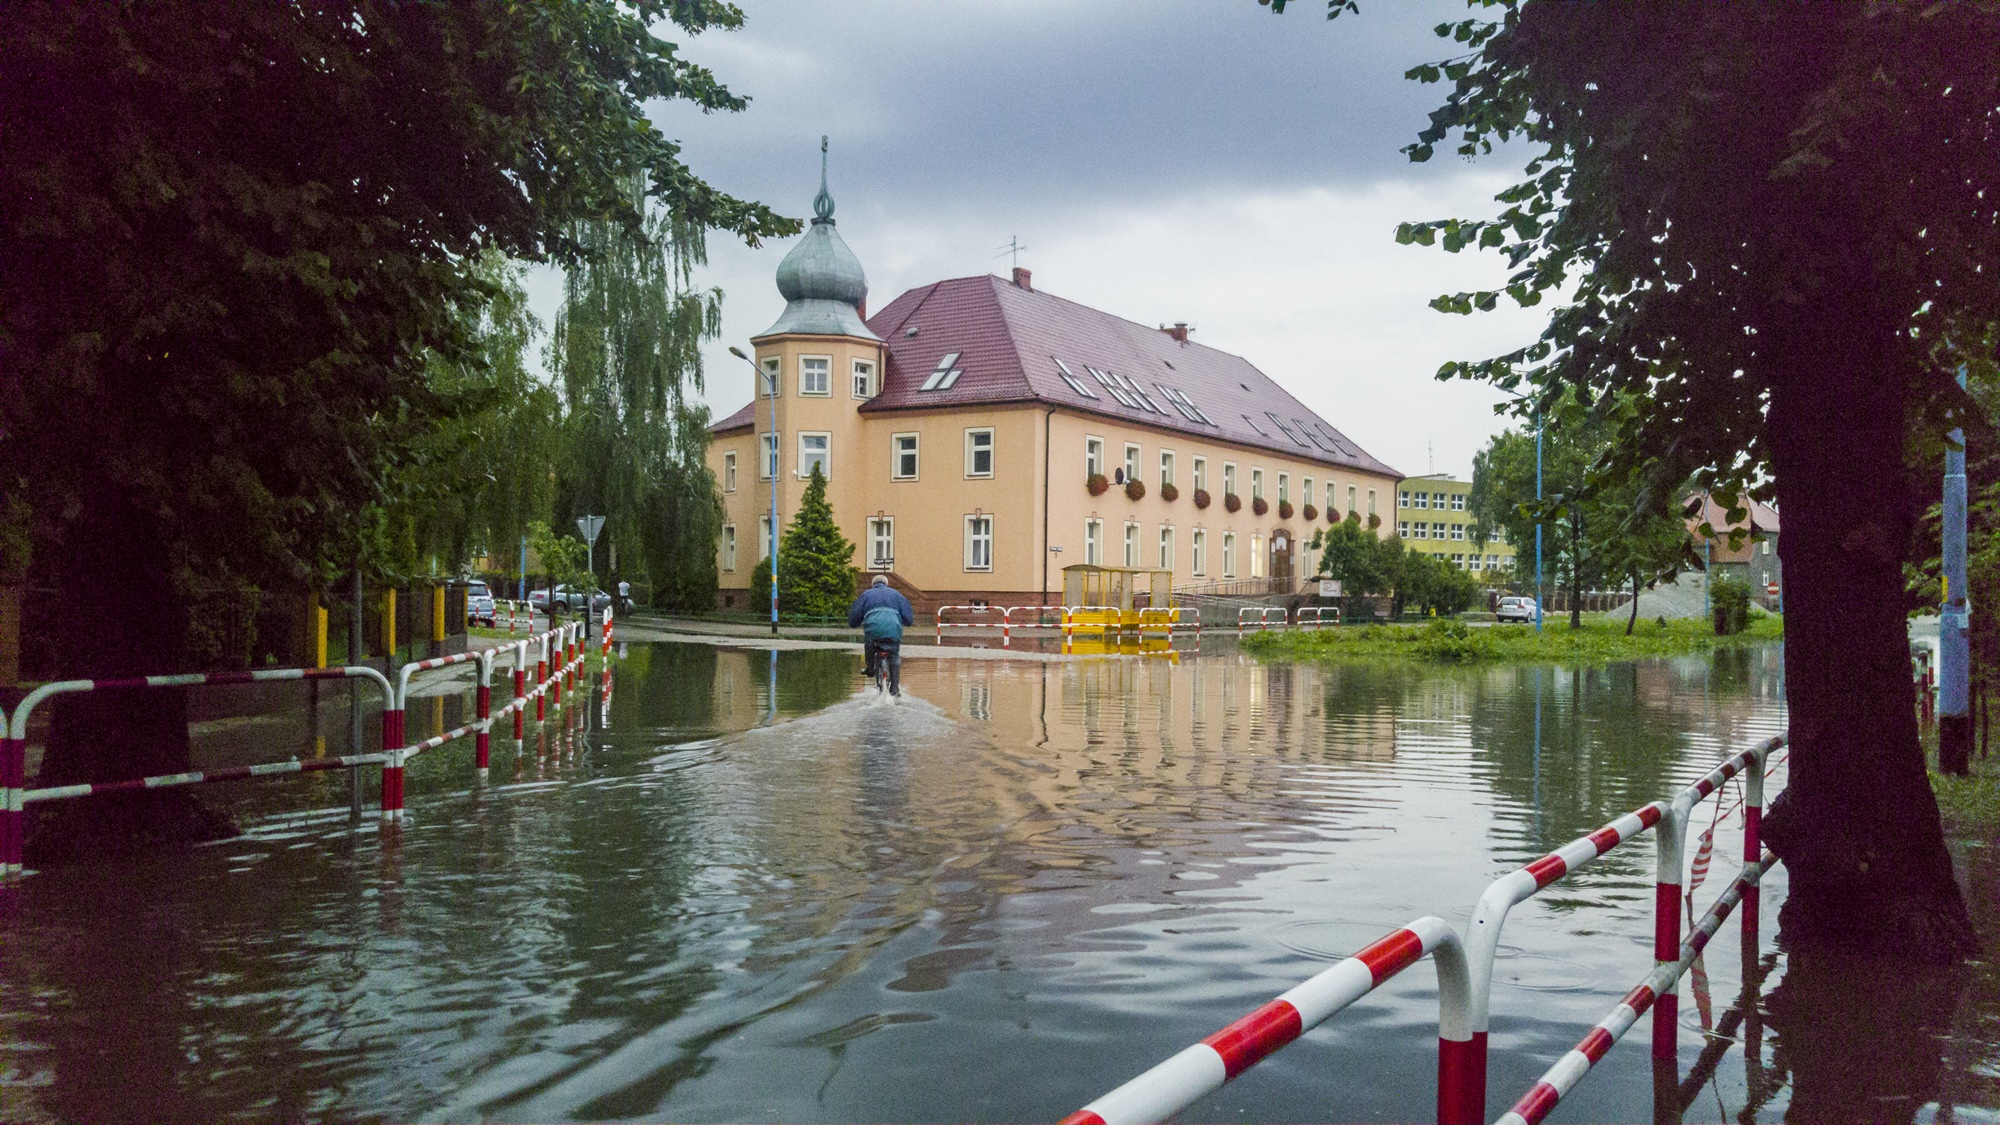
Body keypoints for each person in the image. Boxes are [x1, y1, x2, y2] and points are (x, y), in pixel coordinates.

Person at [847, 575, 914, 695]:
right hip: (893, 632)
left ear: (873, 584)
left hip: (873, 632)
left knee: (869, 647)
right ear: (886, 584)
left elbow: (854, 617)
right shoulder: (897, 595)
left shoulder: (866, 595)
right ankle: (894, 688)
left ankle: (871, 669)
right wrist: (905, 621)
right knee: (894, 657)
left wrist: (854, 624)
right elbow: (908, 619)